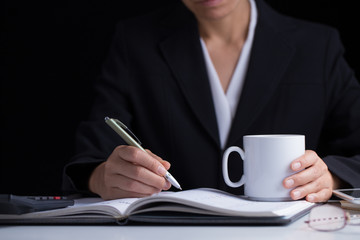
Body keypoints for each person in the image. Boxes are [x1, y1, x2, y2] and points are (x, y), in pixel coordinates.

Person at [63, 0, 360, 202]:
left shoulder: (318, 47)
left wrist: (330, 177)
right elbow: (93, 152)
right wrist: (102, 177)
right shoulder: (135, 42)